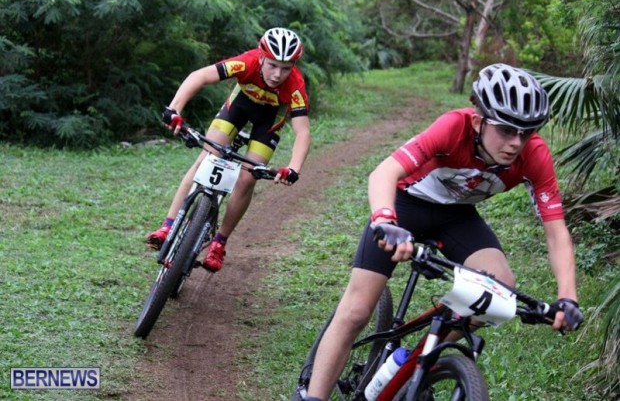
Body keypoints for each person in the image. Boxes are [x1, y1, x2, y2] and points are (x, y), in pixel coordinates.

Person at [303, 63, 584, 400]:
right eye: (506, 130)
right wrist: (385, 221)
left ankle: (418, 365)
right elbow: (384, 173)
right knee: (356, 311)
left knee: (499, 289)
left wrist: (568, 297)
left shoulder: (534, 154)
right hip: (405, 204)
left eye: (526, 132)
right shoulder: (453, 127)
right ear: (479, 122)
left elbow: (556, 232)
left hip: (457, 216)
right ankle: (312, 395)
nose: (516, 142)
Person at [147, 27, 311, 272]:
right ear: (262, 57)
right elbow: (200, 76)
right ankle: (168, 225)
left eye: (286, 68)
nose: (278, 74)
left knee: (247, 178)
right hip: (239, 108)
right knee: (207, 157)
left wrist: (294, 168)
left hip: (268, 122)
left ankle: (219, 242)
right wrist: (174, 109)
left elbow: (303, 132)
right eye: (273, 65)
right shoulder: (247, 62)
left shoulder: (295, 85)